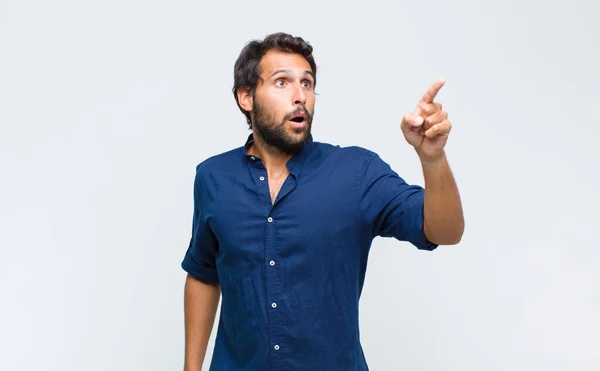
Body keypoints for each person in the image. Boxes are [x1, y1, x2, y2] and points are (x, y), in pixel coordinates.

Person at [181, 32, 464, 371]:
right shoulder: (213, 177)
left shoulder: (356, 172)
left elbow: (444, 231)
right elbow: (203, 273)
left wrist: (432, 159)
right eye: (282, 82)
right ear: (246, 97)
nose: (300, 96)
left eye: (307, 83)